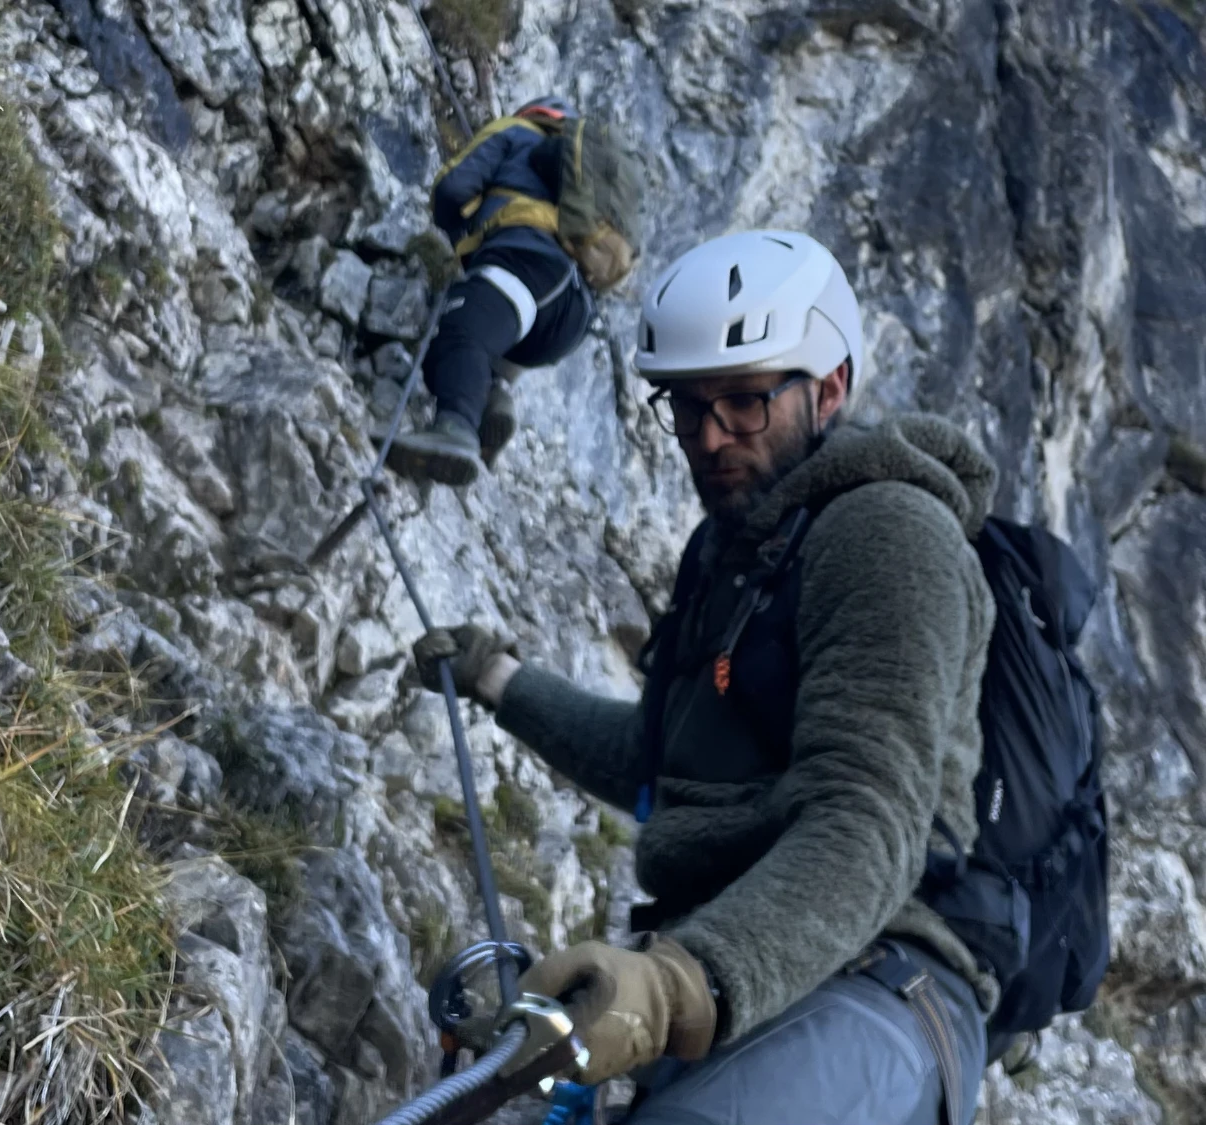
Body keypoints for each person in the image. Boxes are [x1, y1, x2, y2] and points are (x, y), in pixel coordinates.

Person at [412, 229, 998, 1124]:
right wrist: (499, 678)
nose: (711, 437)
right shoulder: (731, 553)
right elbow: (659, 758)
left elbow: (866, 817)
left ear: (829, 388)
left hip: (877, 981)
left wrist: (674, 984)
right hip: (739, 976)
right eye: (688, 408)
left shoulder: (889, 533)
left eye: (746, 403)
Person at [380, 96, 597, 487]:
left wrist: (458, 239)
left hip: (525, 260)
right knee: (479, 341)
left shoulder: (514, 130)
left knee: (461, 330)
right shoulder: (585, 179)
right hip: (574, 311)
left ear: (532, 112)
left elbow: (452, 188)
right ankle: (495, 394)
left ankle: (456, 430)